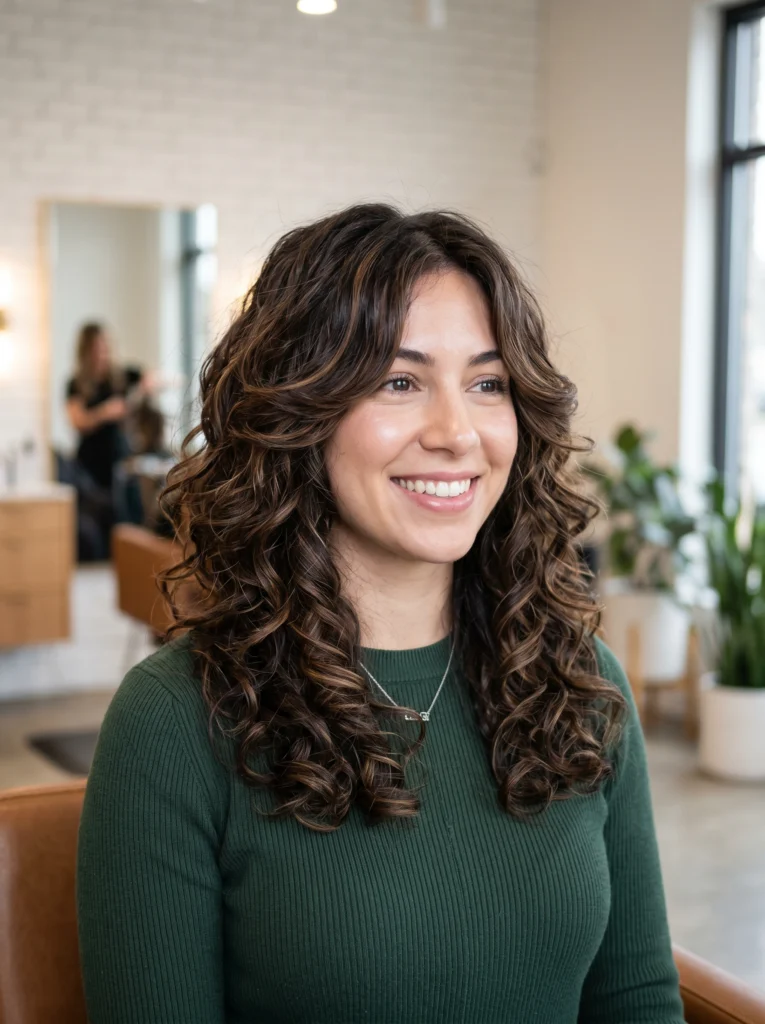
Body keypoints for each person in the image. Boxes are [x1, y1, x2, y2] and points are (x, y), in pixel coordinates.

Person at [76, 204, 686, 1023]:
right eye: (398, 382)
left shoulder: (578, 684)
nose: (455, 432)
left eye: (486, 383)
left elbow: (635, 997)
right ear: (300, 414)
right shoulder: (174, 722)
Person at [64, 322, 148, 492]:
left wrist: (138, 396)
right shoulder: (76, 384)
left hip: (119, 457)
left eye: (104, 346)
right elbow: (78, 421)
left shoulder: (121, 376)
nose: (102, 353)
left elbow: (148, 380)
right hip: (91, 464)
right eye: (97, 348)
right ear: (86, 351)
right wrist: (104, 412)